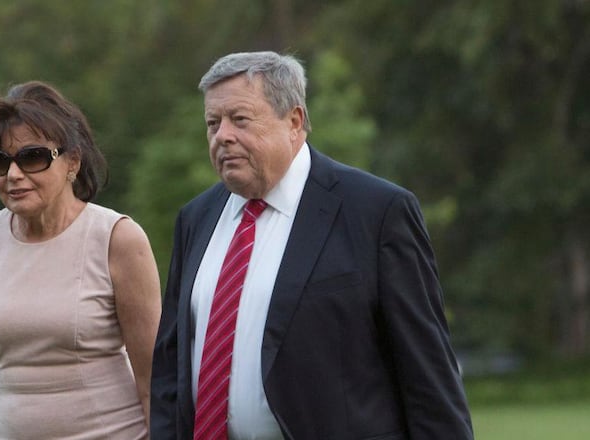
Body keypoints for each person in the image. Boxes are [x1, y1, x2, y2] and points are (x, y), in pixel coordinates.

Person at [150, 51, 473, 439]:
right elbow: (171, 369)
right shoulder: (195, 219)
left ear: (294, 121)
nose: (223, 136)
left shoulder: (377, 213)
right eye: (213, 123)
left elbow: (429, 376)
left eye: (240, 120)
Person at [0, 80, 161, 439]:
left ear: (72, 162)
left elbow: (152, 383)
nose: (14, 175)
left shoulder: (117, 239)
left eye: (33, 157)